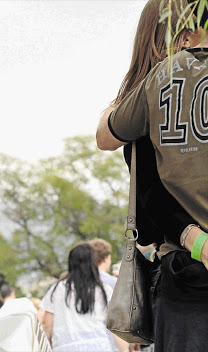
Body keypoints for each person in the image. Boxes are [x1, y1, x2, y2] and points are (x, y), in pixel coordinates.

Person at [96, 0, 208, 350]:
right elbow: (152, 196)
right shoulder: (156, 94)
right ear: (185, 36)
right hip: (187, 278)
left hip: (183, 274)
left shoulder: (147, 96)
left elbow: (150, 201)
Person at [40, 243, 127, 352]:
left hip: (65, 347)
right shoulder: (103, 289)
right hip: (99, 346)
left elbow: (47, 326)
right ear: (92, 262)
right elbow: (115, 328)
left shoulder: (56, 289)